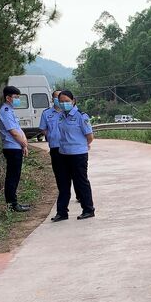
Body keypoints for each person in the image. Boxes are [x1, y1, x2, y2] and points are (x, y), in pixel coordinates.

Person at [52, 90, 95, 221]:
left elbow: (90, 136)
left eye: (67, 101)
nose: (64, 104)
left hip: (78, 155)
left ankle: (88, 209)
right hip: (63, 154)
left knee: (81, 182)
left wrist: (81, 145)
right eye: (62, 101)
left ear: (73, 101)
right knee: (63, 184)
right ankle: (62, 212)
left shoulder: (81, 116)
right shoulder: (60, 116)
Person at [0, 85, 30, 212]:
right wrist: (24, 144)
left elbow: (19, 130)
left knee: (15, 175)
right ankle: (12, 204)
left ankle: (14, 202)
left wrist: (24, 143)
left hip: (16, 147)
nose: (18, 100)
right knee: (12, 176)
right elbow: (13, 132)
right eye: (16, 97)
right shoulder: (5, 111)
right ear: (8, 98)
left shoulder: (10, 110)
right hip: (11, 148)